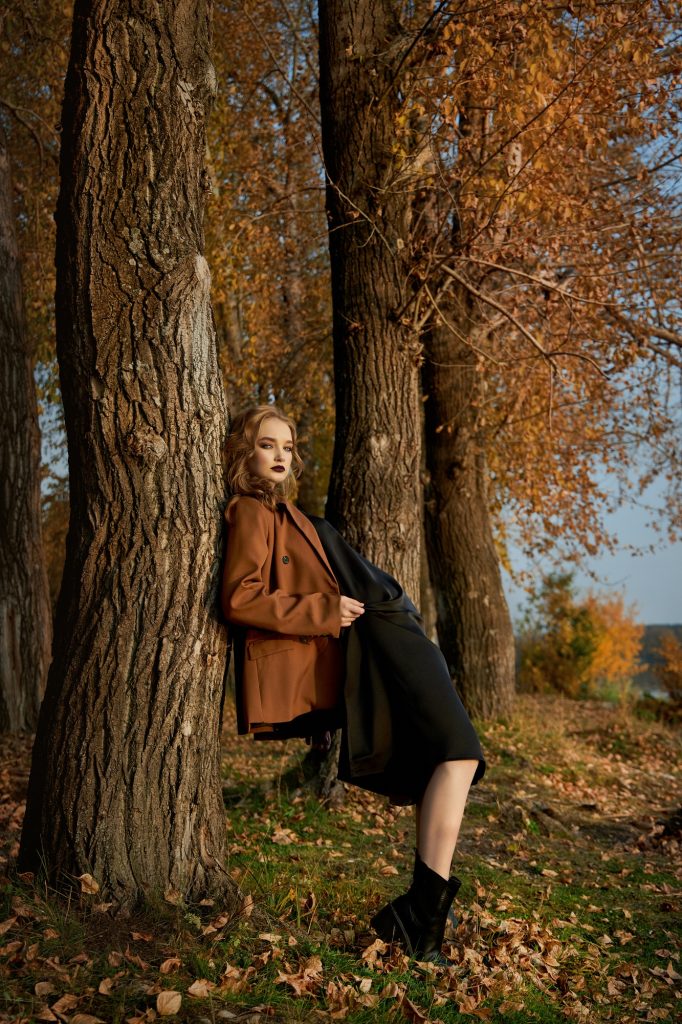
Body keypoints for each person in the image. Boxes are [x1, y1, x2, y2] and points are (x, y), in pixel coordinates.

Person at [221, 404, 486, 964]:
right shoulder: (249, 513)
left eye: (287, 447)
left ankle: (421, 910)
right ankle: (423, 914)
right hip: (376, 640)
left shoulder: (287, 511)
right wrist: (321, 610)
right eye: (267, 445)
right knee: (457, 755)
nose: (280, 456)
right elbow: (238, 598)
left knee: (446, 759)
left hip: (396, 630)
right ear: (245, 451)